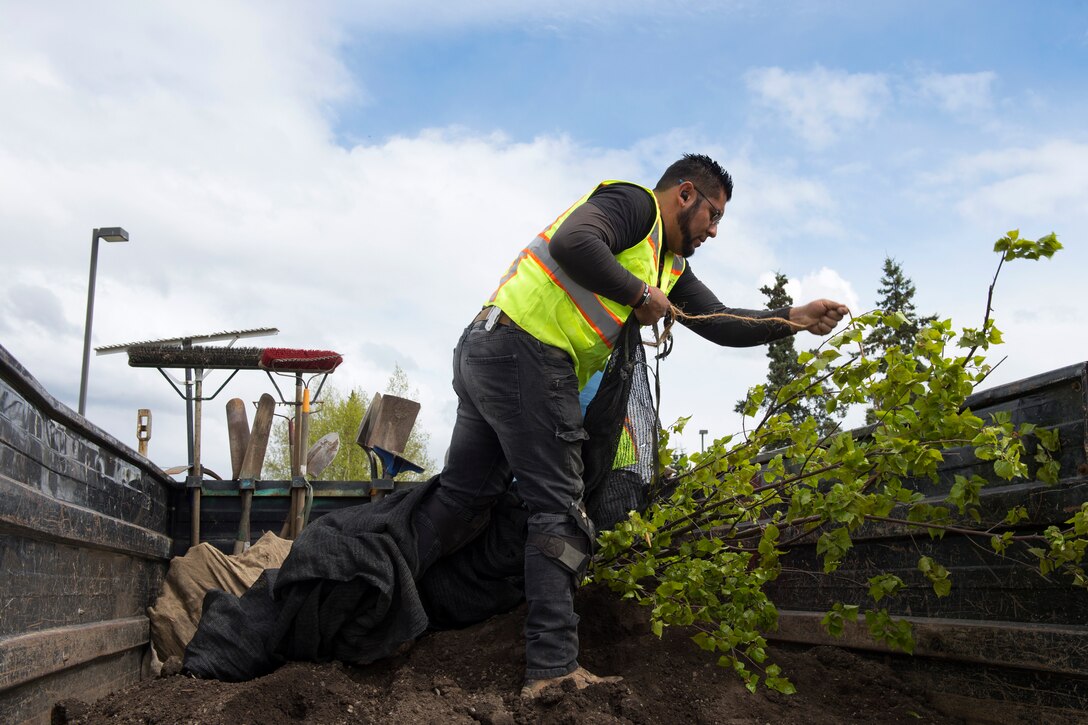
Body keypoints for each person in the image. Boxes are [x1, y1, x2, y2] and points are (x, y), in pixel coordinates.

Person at [411, 153, 849, 698]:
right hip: (524, 351)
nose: (714, 231)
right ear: (685, 195)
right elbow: (575, 241)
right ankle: (551, 671)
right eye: (713, 216)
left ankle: (378, 596)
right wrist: (641, 296)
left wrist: (793, 319)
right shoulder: (635, 206)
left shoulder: (669, 264)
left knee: (460, 501)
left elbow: (719, 323)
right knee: (560, 508)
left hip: (489, 349)